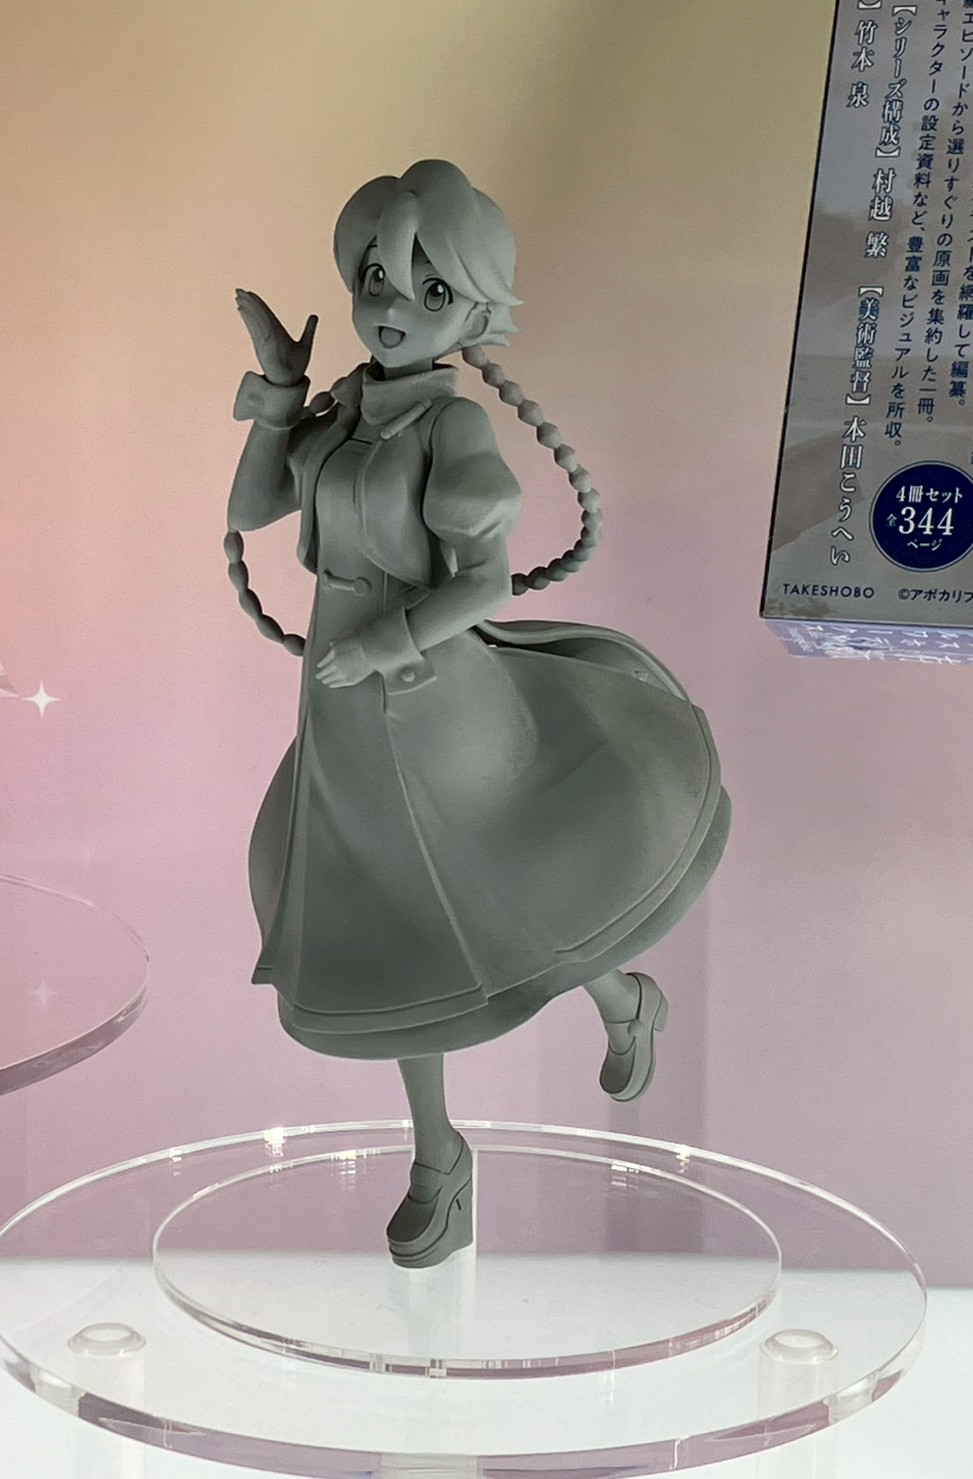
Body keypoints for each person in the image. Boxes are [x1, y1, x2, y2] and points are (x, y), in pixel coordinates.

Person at [227, 160, 729, 1268]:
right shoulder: (343, 411)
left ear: (473, 312)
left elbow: (484, 582)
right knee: (391, 928)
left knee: (493, 888)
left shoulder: (449, 427)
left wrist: (387, 642)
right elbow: (255, 506)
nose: (393, 307)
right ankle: (437, 1155)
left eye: (431, 291)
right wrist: (278, 397)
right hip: (343, 710)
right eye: (376, 279)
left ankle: (617, 998)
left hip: (428, 694)